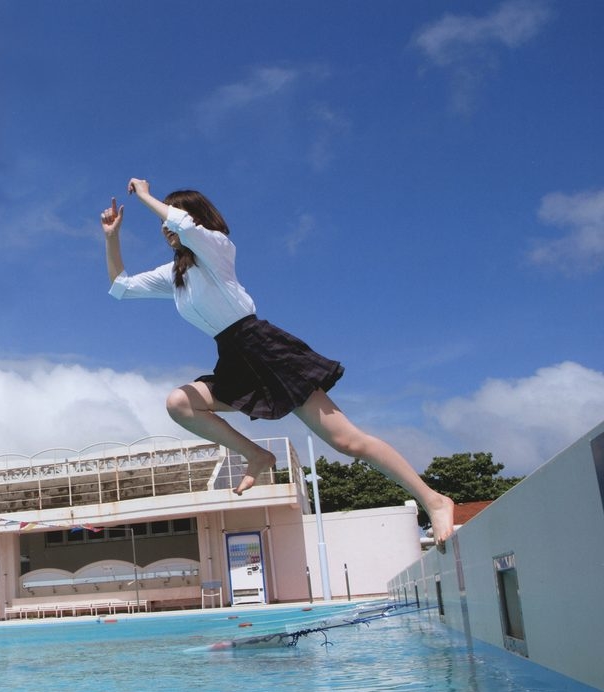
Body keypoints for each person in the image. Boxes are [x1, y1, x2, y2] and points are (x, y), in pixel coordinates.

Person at [101, 178, 455, 545]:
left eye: (170, 218)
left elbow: (184, 225)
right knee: (180, 403)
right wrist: (112, 237)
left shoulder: (217, 247)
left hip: (267, 350)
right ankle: (256, 456)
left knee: (348, 442)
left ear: (196, 218)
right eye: (163, 223)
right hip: (233, 358)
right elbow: (121, 288)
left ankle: (434, 499)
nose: (165, 227)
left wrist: (144, 196)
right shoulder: (175, 274)